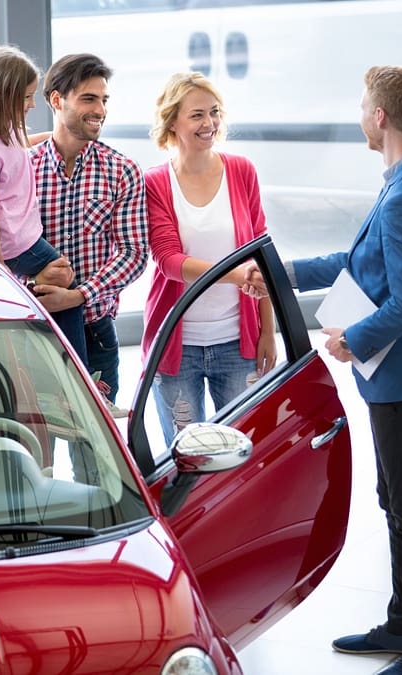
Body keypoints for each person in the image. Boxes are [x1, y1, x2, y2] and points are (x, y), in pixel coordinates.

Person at [246, 65, 402, 675]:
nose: (361, 115)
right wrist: (286, 272)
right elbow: (360, 262)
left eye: (365, 106)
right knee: (395, 497)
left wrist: (351, 341)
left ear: (381, 118)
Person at [141, 72, 275, 444]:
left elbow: (260, 254)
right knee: (188, 459)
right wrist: (237, 276)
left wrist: (268, 329)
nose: (209, 123)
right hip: (176, 348)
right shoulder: (154, 182)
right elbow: (168, 259)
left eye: (214, 112)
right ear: (172, 122)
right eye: (197, 114)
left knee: (243, 451)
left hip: (237, 341)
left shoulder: (242, 170)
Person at [28, 53, 149, 415]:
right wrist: (31, 281)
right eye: (88, 98)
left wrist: (79, 295)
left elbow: (133, 254)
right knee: (36, 442)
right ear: (56, 100)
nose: (100, 110)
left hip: (96, 333)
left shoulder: (121, 170)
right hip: (34, 331)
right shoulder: (23, 168)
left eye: (104, 99)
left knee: (95, 455)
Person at [0, 45, 86, 362]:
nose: (32, 104)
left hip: (27, 237)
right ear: (5, 95)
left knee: (59, 287)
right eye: (27, 97)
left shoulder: (10, 132)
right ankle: (80, 372)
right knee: (70, 292)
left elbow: (21, 146)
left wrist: (60, 135)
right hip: (15, 246)